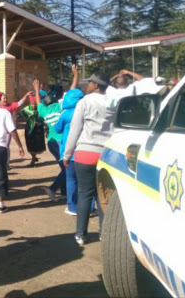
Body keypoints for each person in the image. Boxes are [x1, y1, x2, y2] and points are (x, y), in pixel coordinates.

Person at [63, 71, 115, 246]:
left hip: (85, 153)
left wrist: (67, 154)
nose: (88, 84)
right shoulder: (112, 102)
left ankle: (81, 235)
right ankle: (104, 233)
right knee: (103, 196)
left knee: (84, 194)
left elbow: (75, 130)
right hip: (106, 154)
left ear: (96, 85)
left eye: (91, 82)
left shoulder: (84, 102)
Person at [35, 65, 79, 202]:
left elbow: (38, 103)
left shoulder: (44, 111)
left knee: (63, 167)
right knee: (67, 168)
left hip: (51, 142)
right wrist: (75, 75)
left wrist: (36, 89)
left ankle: (64, 192)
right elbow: (72, 91)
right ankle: (53, 188)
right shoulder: (60, 107)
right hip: (62, 142)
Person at [54, 86, 84, 216]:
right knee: (87, 182)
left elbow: (57, 129)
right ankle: (90, 206)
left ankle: (72, 206)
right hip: (85, 150)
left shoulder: (65, 114)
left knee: (71, 179)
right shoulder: (85, 110)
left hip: (70, 151)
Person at [18, 95, 45, 167]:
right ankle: (33, 158)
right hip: (29, 129)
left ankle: (33, 157)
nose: (34, 105)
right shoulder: (27, 109)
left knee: (37, 145)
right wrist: (27, 118)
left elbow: (44, 117)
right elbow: (20, 115)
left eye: (35, 104)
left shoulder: (41, 109)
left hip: (38, 130)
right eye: (32, 104)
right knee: (30, 145)